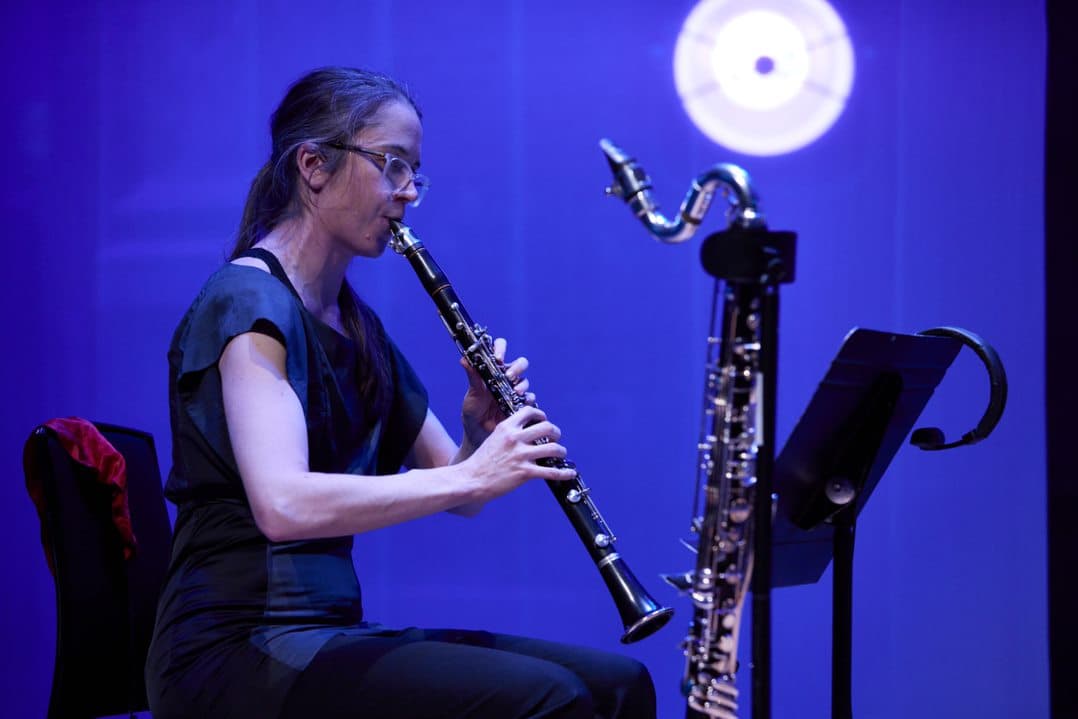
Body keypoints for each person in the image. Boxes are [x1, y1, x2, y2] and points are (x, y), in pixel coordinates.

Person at [145, 66, 657, 719]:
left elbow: (456, 481)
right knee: (549, 701)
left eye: (415, 172)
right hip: (234, 649)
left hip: (319, 635)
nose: (409, 192)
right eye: (392, 166)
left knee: (620, 684)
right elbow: (282, 505)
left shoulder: (353, 322)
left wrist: (478, 429)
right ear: (314, 166)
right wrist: (474, 475)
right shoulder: (247, 300)